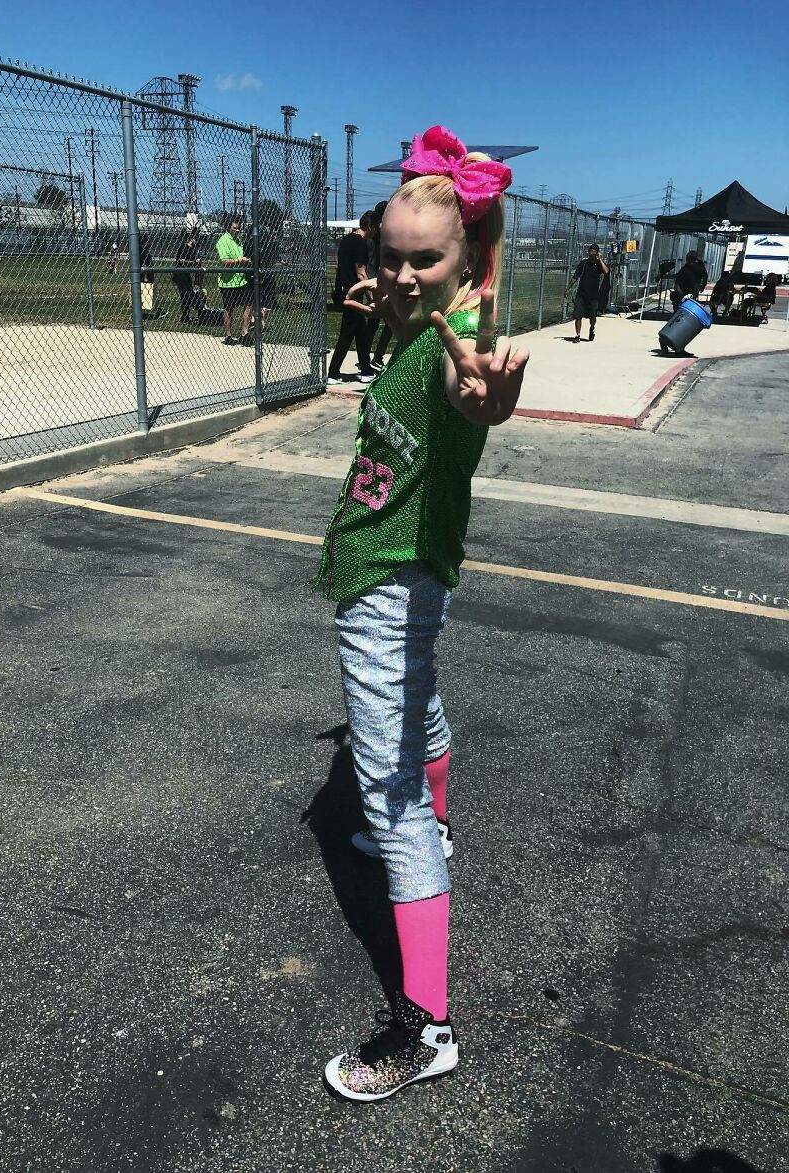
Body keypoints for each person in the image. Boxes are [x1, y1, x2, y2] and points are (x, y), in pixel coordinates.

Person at [313, 125, 528, 1102]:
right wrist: (389, 310)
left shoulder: (469, 335)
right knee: (414, 708)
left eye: (420, 261)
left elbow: (469, 388)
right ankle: (429, 826)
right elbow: (422, 343)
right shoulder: (422, 316)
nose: (399, 275)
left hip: (394, 582)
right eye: (386, 258)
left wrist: (485, 401)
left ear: (468, 254)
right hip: (394, 573)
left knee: (383, 792)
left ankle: (424, 1027)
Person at [327, 211, 378, 384]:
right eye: (376, 226)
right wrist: (372, 297)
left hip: (343, 290)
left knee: (361, 333)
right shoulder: (360, 244)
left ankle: (366, 370)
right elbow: (361, 274)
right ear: (370, 226)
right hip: (351, 293)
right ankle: (333, 373)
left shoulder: (347, 239)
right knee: (347, 334)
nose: (377, 231)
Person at [215, 218, 252, 345]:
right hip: (228, 281)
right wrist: (241, 260)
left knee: (249, 303)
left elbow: (240, 258)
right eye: (234, 228)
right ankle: (228, 336)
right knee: (229, 308)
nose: (237, 230)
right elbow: (225, 262)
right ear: (228, 228)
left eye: (238, 228)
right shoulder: (223, 241)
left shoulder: (238, 241)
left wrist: (246, 262)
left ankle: (244, 333)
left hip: (241, 280)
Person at [366, 200, 393, 372]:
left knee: (375, 323)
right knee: (386, 323)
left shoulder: (378, 234)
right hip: (377, 281)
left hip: (377, 281)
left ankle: (369, 357)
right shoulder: (378, 236)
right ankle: (374, 358)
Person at [564, 243, 609, 342]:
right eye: (589, 251)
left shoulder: (599, 265)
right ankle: (577, 335)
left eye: (593, 251)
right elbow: (575, 277)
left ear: (597, 253)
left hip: (593, 296)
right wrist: (568, 288)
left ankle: (592, 328)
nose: (590, 253)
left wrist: (600, 259)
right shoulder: (583, 264)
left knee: (592, 317)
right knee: (578, 315)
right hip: (581, 294)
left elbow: (606, 271)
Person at [172, 228, 206, 325]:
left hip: (187, 275)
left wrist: (198, 261)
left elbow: (196, 263)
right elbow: (181, 260)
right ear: (191, 239)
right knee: (186, 295)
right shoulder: (183, 247)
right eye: (195, 238)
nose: (196, 240)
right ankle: (185, 316)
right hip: (180, 274)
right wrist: (193, 262)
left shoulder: (193, 250)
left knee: (186, 296)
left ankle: (185, 316)